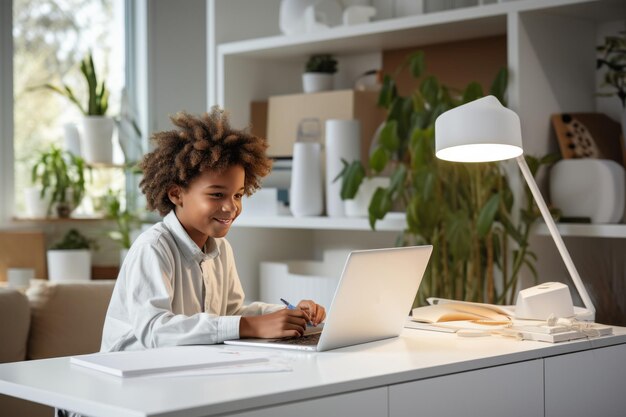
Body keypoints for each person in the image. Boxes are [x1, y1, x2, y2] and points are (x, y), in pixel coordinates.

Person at [100, 108, 326, 352]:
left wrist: (287, 314)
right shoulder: (153, 248)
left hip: (184, 368)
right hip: (131, 374)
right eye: (217, 195)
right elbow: (155, 330)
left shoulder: (220, 248)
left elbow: (232, 313)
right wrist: (250, 326)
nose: (231, 207)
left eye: (238, 195)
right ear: (176, 194)